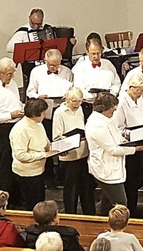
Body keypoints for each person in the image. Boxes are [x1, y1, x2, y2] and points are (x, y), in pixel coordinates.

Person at [86, 93, 143, 215]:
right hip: (106, 169)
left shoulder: (107, 119)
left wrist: (126, 140)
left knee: (108, 202)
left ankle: (105, 227)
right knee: (121, 203)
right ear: (105, 108)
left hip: (112, 167)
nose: (114, 110)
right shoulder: (97, 125)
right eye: (113, 108)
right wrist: (134, 149)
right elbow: (113, 149)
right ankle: (118, 229)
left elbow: (116, 136)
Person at [27, 49, 74, 190]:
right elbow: (30, 91)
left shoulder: (67, 71)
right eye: (51, 65)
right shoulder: (36, 71)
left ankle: (62, 174)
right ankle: (49, 176)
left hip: (61, 111)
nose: (54, 68)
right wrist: (38, 96)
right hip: (44, 112)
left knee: (62, 142)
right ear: (45, 61)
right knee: (45, 143)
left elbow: (72, 89)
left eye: (57, 65)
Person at [52, 87, 95, 215]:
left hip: (83, 152)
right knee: (71, 188)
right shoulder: (60, 112)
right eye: (74, 101)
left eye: (80, 101)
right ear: (67, 99)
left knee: (87, 187)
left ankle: (89, 214)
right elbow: (56, 136)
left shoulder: (81, 109)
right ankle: (70, 214)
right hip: (69, 155)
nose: (77, 104)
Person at [114, 74, 143, 217]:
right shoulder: (121, 103)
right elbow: (118, 128)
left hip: (141, 141)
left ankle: (134, 208)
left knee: (136, 178)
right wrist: (134, 136)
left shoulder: (140, 99)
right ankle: (128, 210)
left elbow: (140, 117)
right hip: (129, 143)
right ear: (130, 88)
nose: (140, 93)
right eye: (137, 91)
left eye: (142, 90)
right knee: (129, 179)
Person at [10, 98, 58, 210]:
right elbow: (21, 155)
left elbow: (45, 143)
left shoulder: (38, 124)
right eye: (43, 113)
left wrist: (56, 148)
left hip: (39, 170)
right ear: (34, 114)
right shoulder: (21, 130)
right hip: (27, 174)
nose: (44, 115)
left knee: (40, 202)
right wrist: (44, 155)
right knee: (33, 205)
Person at [0, 57, 24, 205]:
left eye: (13, 73)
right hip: (2, 128)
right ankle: (2, 198)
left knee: (16, 159)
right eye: (8, 74)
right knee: (6, 163)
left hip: (17, 124)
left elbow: (16, 102)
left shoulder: (12, 83)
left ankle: (16, 197)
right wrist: (9, 115)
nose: (12, 77)